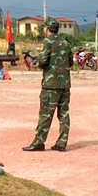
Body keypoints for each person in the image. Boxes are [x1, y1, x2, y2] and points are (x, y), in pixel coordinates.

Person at [23, 17, 73, 152]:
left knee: (45, 114)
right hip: (65, 85)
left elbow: (42, 61)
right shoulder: (66, 43)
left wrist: (33, 63)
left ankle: (39, 142)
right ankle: (62, 143)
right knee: (64, 115)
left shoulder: (48, 42)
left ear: (47, 29)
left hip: (51, 85)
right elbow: (71, 62)